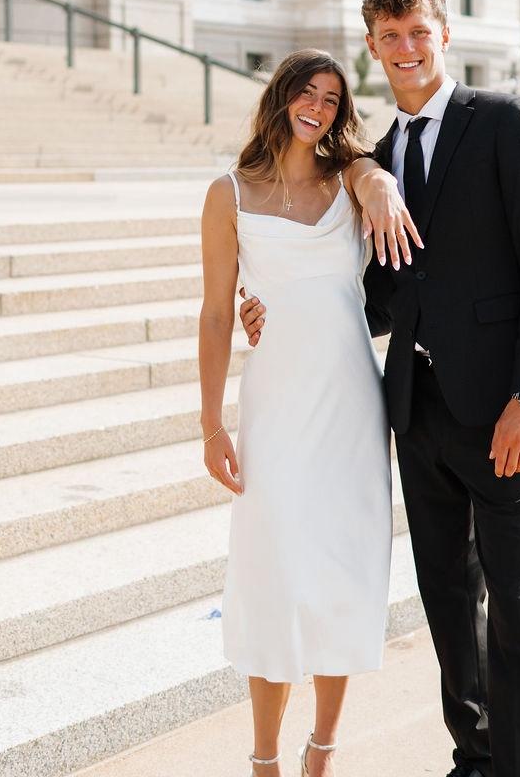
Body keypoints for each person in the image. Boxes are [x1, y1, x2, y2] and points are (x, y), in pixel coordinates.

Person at [241, 0, 520, 777]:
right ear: (372, 47)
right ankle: (476, 758)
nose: (407, 48)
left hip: (501, 413)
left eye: (419, 32)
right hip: (417, 418)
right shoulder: (383, 155)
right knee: (450, 606)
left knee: (518, 611)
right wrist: (278, 308)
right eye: (390, 37)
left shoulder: (505, 122)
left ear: (444, 34)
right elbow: (384, 296)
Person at [198, 48, 420, 777]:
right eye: (307, 92)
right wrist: (211, 424)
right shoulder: (228, 194)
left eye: (331, 98)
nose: (317, 107)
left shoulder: (348, 177)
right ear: (282, 96)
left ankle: (321, 750)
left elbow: (371, 173)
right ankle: (263, 758)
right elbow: (216, 314)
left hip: (351, 405)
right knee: (273, 571)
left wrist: (380, 182)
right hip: (276, 405)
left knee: (342, 570)